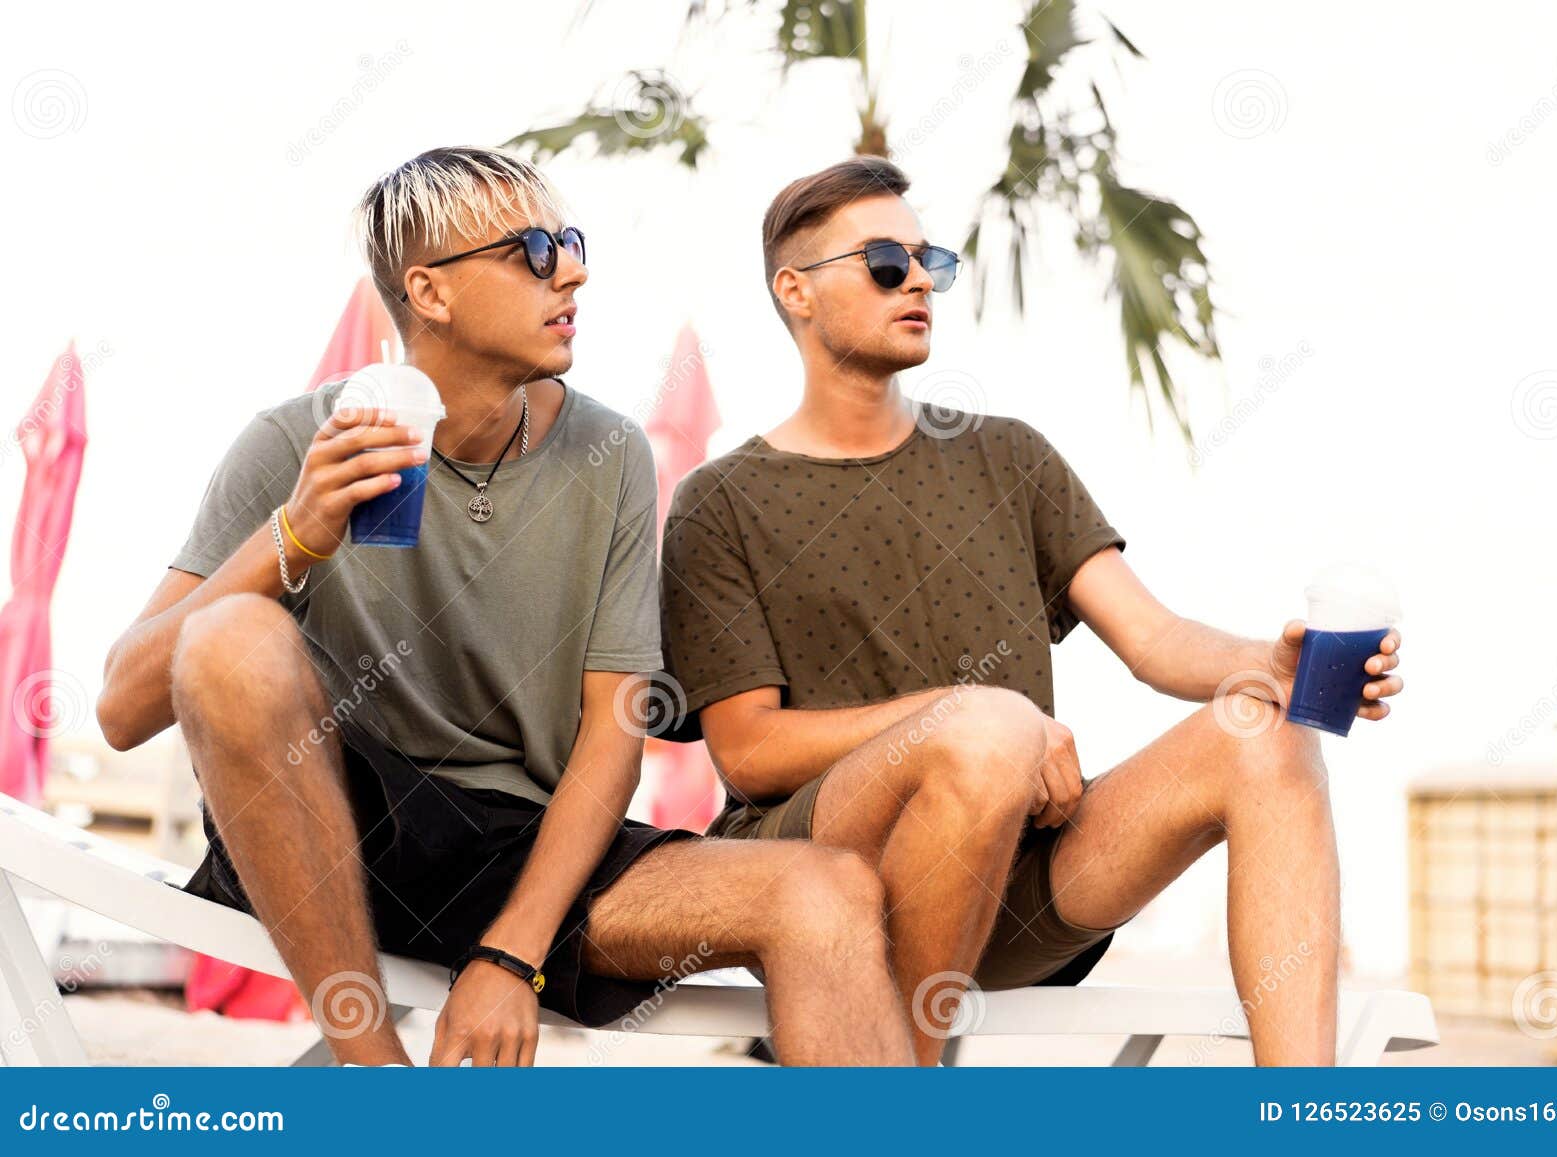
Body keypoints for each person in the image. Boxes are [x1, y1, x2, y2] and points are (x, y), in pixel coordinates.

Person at [97, 146, 913, 1067]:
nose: (574, 269)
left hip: (534, 852)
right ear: (430, 293)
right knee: (233, 634)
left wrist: (510, 954)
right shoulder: (296, 440)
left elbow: (613, 734)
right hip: (336, 829)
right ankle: (378, 1088)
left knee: (827, 890)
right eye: (531, 250)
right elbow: (125, 707)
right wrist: (297, 533)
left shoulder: (611, 453)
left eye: (571, 241)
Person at [658, 156, 1405, 1066]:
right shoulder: (720, 500)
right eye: (886, 263)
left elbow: (1155, 637)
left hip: (1022, 883)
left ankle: (1301, 1117)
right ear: (796, 292)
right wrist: (977, 723)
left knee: (1269, 730)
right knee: (982, 733)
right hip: (828, 878)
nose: (919, 283)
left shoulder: (1008, 458)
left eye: (930, 261)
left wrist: (1273, 665)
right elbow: (748, 749)